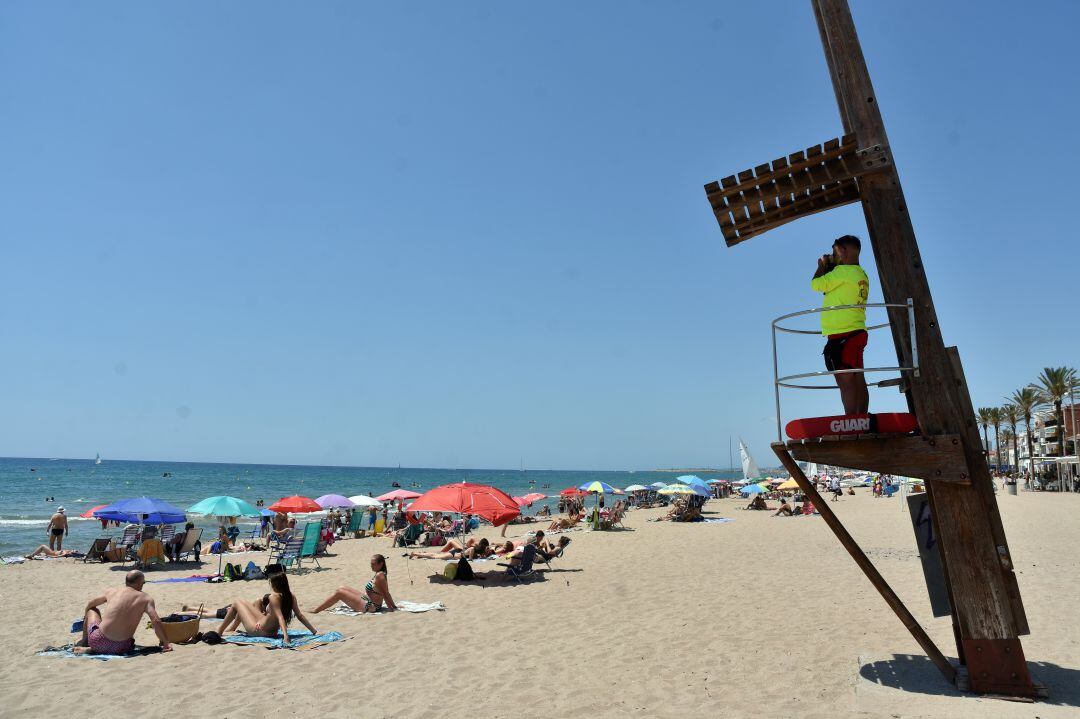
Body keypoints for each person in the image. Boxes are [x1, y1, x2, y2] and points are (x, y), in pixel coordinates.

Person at [812, 234, 870, 415]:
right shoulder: (861, 274)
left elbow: (816, 285)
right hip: (857, 331)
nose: (833, 255)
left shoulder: (842, 272)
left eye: (834, 251)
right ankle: (861, 418)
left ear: (842, 250)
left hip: (841, 335)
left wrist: (821, 266)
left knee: (845, 381)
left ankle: (851, 421)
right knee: (858, 378)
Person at [75, 570, 171, 655]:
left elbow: (91, 604)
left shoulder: (112, 591)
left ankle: (86, 642)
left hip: (98, 641)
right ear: (139, 583)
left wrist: (86, 615)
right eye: (143, 582)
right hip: (122, 647)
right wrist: (166, 642)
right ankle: (94, 648)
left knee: (92, 610)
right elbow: (156, 620)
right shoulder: (146, 598)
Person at [220, 572, 318, 645]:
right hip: (268, 629)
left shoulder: (274, 597)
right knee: (248, 603)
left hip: (260, 631)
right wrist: (314, 631)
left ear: (275, 585)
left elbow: (280, 617)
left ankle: (219, 631)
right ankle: (232, 629)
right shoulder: (290, 596)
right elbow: (300, 616)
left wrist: (286, 636)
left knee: (237, 603)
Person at [312, 554, 396, 614]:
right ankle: (318, 609)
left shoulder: (379, 576)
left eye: (373, 564)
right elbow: (387, 592)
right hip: (368, 600)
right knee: (342, 588)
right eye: (371, 564)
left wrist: (392, 608)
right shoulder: (381, 574)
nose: (371, 566)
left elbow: (385, 593)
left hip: (371, 607)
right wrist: (394, 606)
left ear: (381, 564)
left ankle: (316, 610)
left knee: (339, 593)